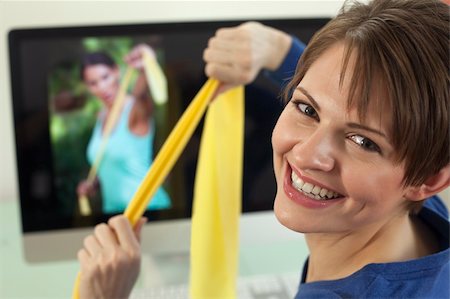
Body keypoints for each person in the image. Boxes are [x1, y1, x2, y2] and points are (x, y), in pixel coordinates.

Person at [77, 0, 450, 298]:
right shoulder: (416, 215)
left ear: (430, 178)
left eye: (363, 142)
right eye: (306, 108)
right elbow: (344, 90)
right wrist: (278, 49)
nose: (305, 155)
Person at [76, 44, 171, 214]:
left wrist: (146, 61)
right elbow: (111, 164)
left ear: (116, 72)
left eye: (105, 77)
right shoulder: (101, 116)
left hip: (149, 210)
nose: (102, 87)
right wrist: (93, 184)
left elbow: (141, 94)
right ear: (87, 87)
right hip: (115, 215)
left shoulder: (135, 109)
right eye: (93, 83)